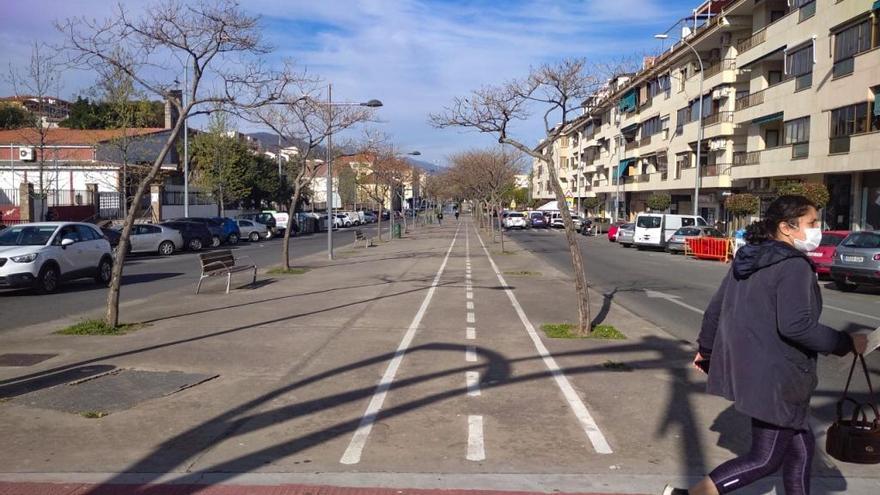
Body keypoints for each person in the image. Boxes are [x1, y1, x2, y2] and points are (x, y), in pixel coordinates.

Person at [663, 195, 869, 495]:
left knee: (800, 449)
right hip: (779, 377)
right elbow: (796, 326)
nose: (818, 229)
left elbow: (715, 311)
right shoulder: (794, 266)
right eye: (811, 223)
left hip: (755, 372)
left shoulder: (750, 256)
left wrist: (706, 350)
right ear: (787, 227)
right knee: (765, 459)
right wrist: (846, 342)